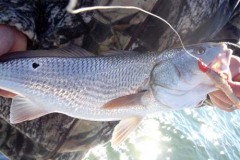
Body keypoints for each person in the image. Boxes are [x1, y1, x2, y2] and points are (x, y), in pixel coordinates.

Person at [0, 0, 240, 159]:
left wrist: (224, 83)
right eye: (199, 52)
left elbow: (229, 45)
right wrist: (9, 20)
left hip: (67, 151)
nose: (205, 55)